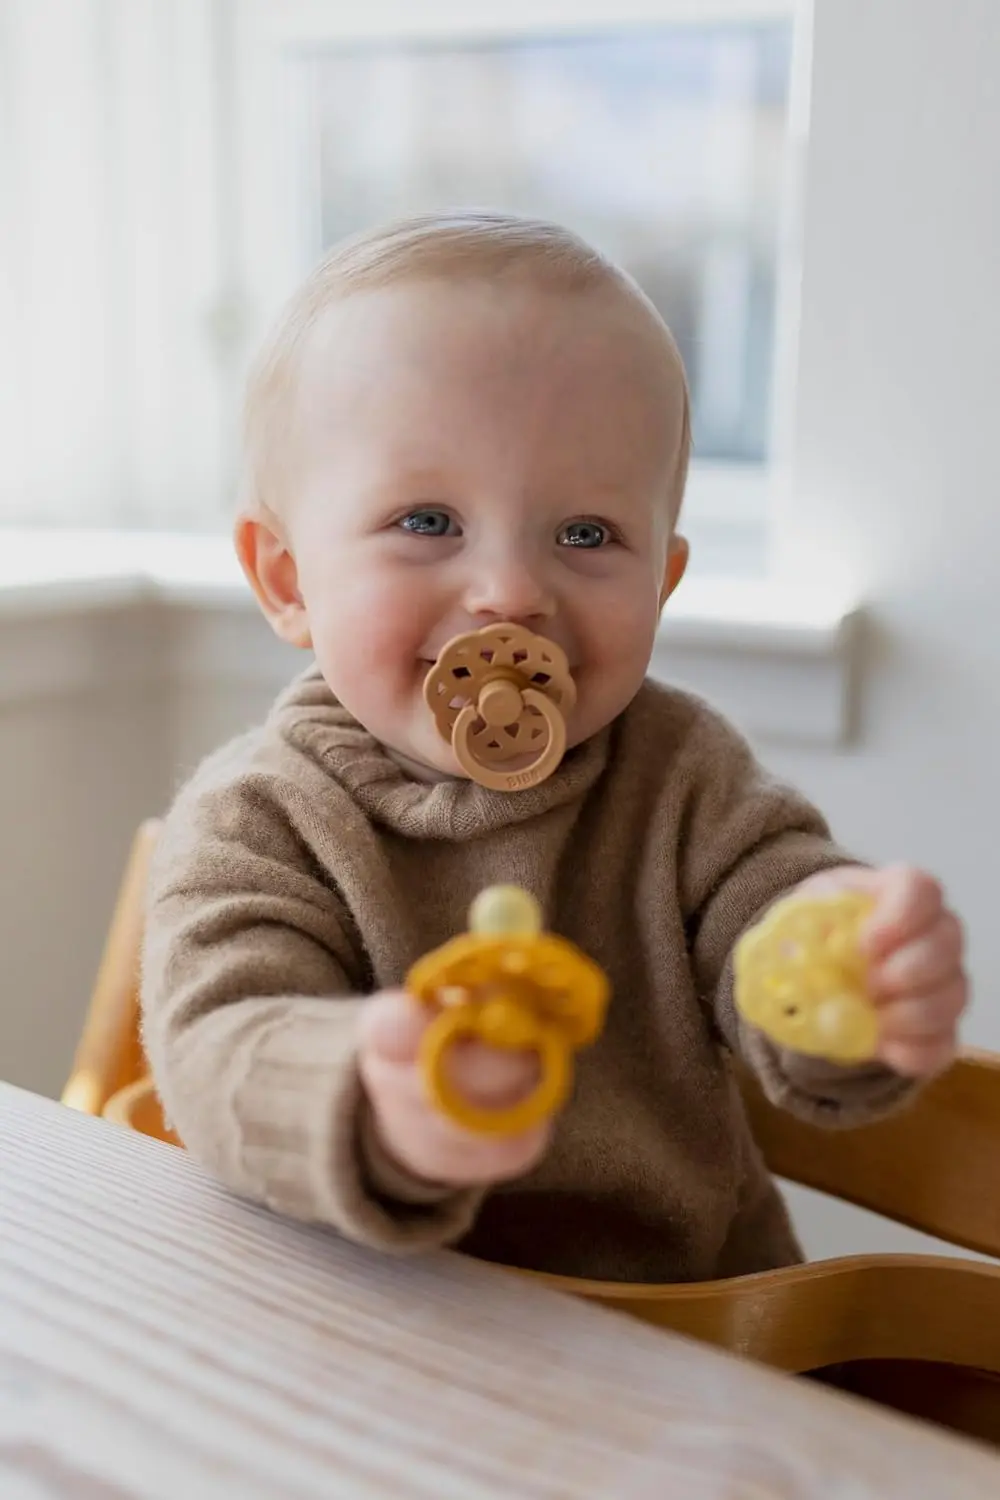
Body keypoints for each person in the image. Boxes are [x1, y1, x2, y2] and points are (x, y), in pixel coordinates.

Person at [141, 212, 967, 1283]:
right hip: (374, 1337)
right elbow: (219, 1048)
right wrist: (366, 1093)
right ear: (288, 578)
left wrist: (841, 966)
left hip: (691, 1344)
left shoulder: (680, 772)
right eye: (428, 520)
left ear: (660, 586)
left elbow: (773, 906)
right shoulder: (260, 815)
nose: (510, 595)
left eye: (585, 536)